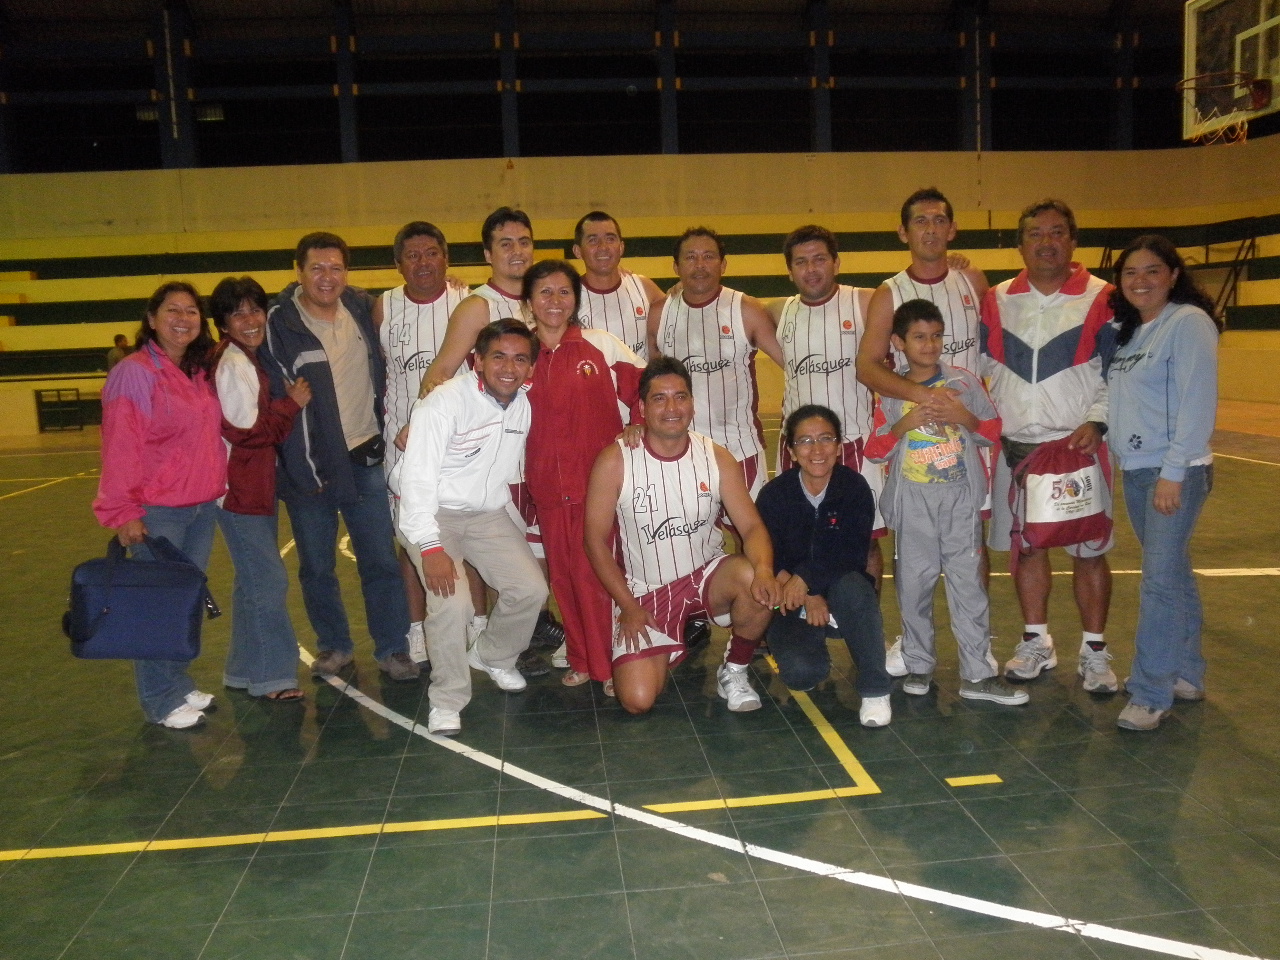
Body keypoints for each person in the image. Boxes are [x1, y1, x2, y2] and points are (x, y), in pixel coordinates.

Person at [583, 357, 782, 716]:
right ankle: (673, 638)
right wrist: (628, 606)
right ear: (642, 407)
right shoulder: (615, 461)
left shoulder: (716, 457)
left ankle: (734, 668)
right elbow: (594, 541)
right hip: (646, 592)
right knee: (637, 700)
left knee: (753, 576)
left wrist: (766, 571)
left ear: (692, 403)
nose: (672, 408)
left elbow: (752, 527)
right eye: (659, 398)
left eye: (680, 397)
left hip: (707, 579)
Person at [262, 231, 418, 683]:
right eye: (316, 268)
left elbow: (409, 305)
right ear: (298, 272)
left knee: (381, 562)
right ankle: (334, 645)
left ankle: (392, 648)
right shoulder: (279, 323)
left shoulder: (360, 308)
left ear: (347, 273)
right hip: (309, 465)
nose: (326, 277)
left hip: (364, 457)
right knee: (316, 566)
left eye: (335, 268)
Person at [980, 199, 1118, 693]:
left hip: (1077, 448)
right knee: (1028, 550)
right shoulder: (995, 300)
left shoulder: (1104, 297)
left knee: (1089, 550)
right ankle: (1036, 641)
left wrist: (1099, 421)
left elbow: (1117, 371)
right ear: (1020, 244)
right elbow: (977, 369)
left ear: (1073, 240)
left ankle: (1094, 651)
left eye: (1057, 232)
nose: (1046, 242)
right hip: (1017, 451)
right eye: (1035, 234)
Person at [864, 299, 1027, 706]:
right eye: (919, 337)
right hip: (913, 503)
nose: (930, 344)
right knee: (913, 586)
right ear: (899, 342)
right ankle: (918, 664)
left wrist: (962, 417)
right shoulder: (891, 391)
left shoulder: (964, 383)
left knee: (968, 586)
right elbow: (875, 450)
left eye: (936, 336)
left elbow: (992, 431)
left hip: (959, 500)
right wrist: (905, 424)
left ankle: (977, 674)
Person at [855, 188, 990, 675]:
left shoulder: (972, 279)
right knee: (914, 559)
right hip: (916, 444)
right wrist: (924, 398)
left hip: (966, 438)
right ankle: (915, 647)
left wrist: (966, 408)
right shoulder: (888, 293)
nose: (930, 229)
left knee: (970, 550)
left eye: (939, 220)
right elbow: (868, 366)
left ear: (952, 228)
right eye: (920, 221)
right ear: (903, 231)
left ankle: (978, 649)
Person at [419, 206, 563, 662]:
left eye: (523, 242)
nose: (516, 251)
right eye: (505, 243)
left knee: (542, 551)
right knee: (510, 552)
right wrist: (420, 422)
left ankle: (528, 630)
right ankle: (513, 646)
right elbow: (441, 370)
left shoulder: (545, 300)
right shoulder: (477, 306)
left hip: (541, 447)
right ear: (487, 253)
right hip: (497, 457)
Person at [395, 320, 550, 736]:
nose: (509, 368)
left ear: (531, 368)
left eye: (520, 359)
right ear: (477, 360)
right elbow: (416, 483)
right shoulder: (443, 404)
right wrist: (430, 547)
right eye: (498, 357)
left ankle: (493, 655)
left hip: (486, 514)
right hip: (431, 513)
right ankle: (446, 699)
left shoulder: (522, 403)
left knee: (530, 590)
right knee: (452, 603)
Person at [92, 282, 226, 729]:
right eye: (172, 310)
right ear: (151, 319)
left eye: (191, 311)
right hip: (158, 512)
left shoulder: (196, 371)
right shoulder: (134, 372)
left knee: (183, 602)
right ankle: (159, 699)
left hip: (200, 507)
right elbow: (120, 445)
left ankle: (177, 682)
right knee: (156, 606)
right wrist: (124, 512)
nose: (183, 319)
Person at [1106, 235, 1220, 731]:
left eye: (1152, 270)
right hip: (1138, 470)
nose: (1140, 281)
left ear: (1173, 275)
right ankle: (1187, 673)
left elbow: (1197, 404)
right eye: (1130, 272)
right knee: (1172, 574)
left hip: (1174, 471)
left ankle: (1151, 691)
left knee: (1158, 582)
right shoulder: (1131, 332)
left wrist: (1173, 473)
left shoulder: (1187, 323)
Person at [523, 260, 644, 695]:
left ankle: (612, 664)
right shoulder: (519, 354)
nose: (555, 301)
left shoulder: (601, 345)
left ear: (576, 300)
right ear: (529, 301)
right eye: (544, 292)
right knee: (563, 579)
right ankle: (582, 658)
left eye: (564, 292)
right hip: (546, 490)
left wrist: (638, 422)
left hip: (599, 490)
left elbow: (647, 386)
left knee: (598, 579)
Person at [756, 404, 893, 727]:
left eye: (826, 439)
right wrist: (809, 595)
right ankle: (815, 639)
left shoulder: (854, 488)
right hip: (793, 596)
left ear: (839, 446)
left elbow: (851, 552)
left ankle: (875, 690)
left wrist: (807, 579)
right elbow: (768, 554)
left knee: (856, 588)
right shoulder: (775, 495)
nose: (816, 450)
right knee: (801, 674)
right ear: (791, 451)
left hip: (841, 586)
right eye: (805, 441)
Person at [210, 276, 310, 702]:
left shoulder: (243, 359)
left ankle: (242, 669)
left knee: (250, 582)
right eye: (238, 314)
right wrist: (290, 404)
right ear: (223, 323)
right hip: (240, 491)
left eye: (255, 310)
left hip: (251, 487)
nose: (250, 320)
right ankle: (273, 677)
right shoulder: (233, 363)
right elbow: (246, 431)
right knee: (267, 583)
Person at [376, 221, 469, 664]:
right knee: (411, 540)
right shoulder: (383, 308)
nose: (423, 262)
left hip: (461, 446)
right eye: (412, 256)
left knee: (467, 534)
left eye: (432, 253)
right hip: (404, 446)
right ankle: (417, 630)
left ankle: (477, 624)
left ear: (446, 259)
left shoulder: (468, 302)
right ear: (399, 264)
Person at [774, 224, 886, 586]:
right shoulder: (778, 311)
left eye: (819, 259)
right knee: (795, 543)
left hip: (856, 443)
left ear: (836, 263)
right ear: (790, 271)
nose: (811, 269)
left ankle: (864, 617)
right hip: (799, 449)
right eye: (801, 262)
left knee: (865, 542)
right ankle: (803, 617)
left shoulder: (867, 302)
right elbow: (725, 305)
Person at [654, 227, 784, 501]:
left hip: (740, 450)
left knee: (749, 527)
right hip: (680, 451)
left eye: (708, 256)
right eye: (691, 257)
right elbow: (649, 385)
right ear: (676, 266)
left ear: (723, 264)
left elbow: (792, 366)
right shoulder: (659, 314)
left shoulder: (746, 309)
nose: (700, 264)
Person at [572, 210, 666, 360]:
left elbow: (678, 313)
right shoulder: (568, 296)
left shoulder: (643, 287)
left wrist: (680, 288)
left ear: (621, 247)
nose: (603, 246)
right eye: (593, 240)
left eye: (610, 239)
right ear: (578, 251)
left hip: (641, 376)